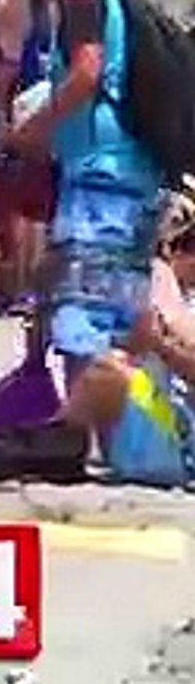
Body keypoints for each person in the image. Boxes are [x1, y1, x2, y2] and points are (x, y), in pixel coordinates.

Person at [9, 0, 162, 385]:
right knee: (115, 307)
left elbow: (86, 72)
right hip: (132, 165)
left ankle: (81, 430)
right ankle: (112, 430)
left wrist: (37, 127)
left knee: (82, 314)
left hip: (99, 173)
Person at [62, 190, 195, 487]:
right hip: (174, 421)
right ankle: (54, 445)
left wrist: (160, 345)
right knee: (108, 367)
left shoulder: (168, 291)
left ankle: (52, 445)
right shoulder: (170, 291)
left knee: (109, 373)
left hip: (182, 444)